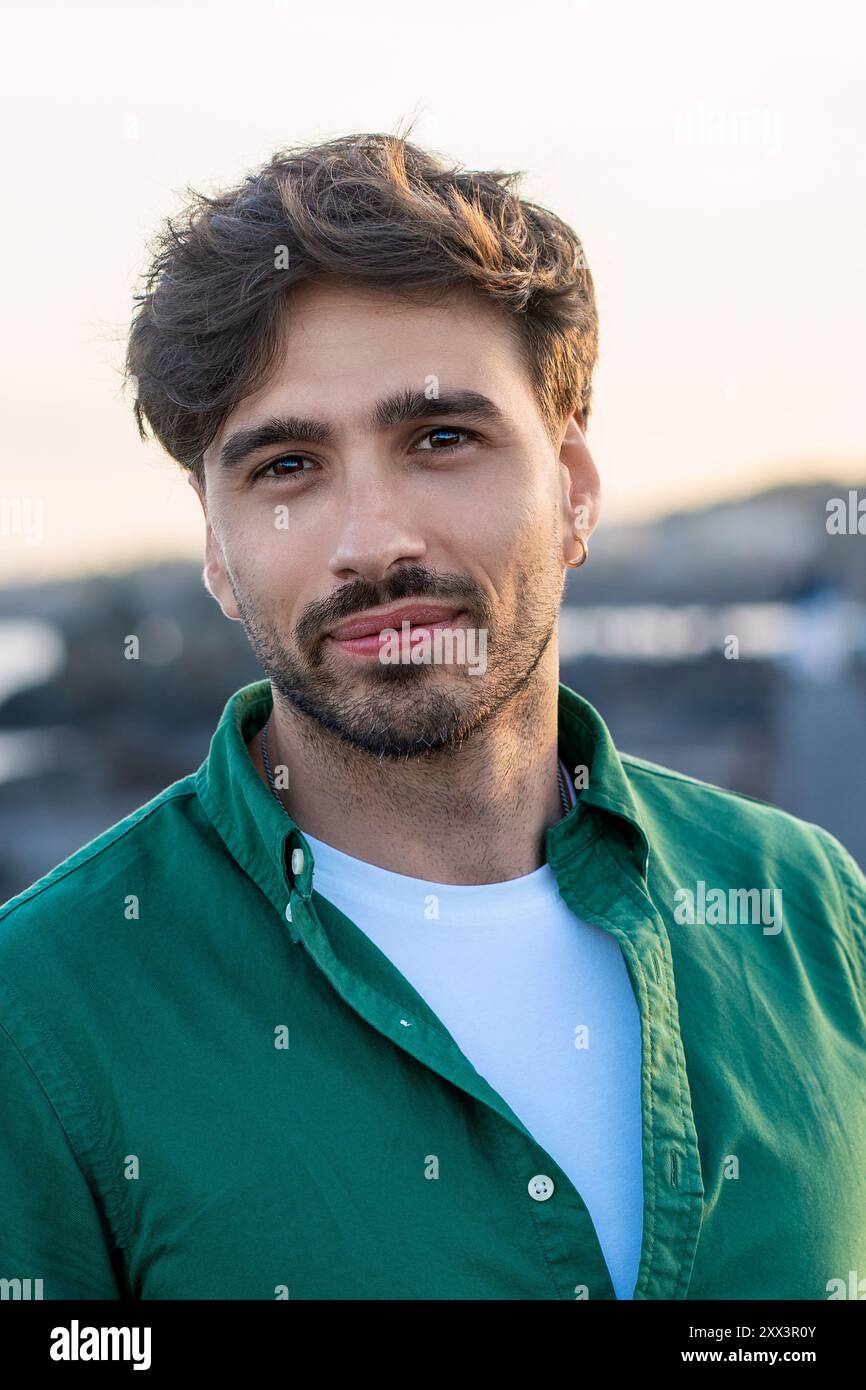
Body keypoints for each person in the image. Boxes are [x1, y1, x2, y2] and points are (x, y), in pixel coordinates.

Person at [1, 130, 864, 1302]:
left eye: (441, 438)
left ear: (574, 491)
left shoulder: (810, 909)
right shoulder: (42, 1007)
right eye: (286, 468)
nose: (373, 540)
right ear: (216, 550)